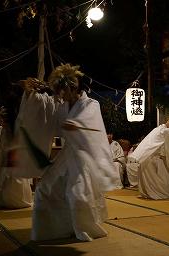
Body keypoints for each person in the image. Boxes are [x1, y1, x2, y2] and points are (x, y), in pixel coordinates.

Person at [19, 64, 120, 241]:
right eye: (58, 91)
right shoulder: (61, 105)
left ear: (72, 87)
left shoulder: (90, 104)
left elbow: (90, 123)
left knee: (77, 195)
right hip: (66, 155)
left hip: (82, 156)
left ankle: (85, 228)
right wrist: (31, 93)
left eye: (62, 90)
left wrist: (76, 125)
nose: (60, 95)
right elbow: (45, 111)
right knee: (45, 188)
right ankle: (53, 230)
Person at [127, 116, 169, 199]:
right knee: (165, 179)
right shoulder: (163, 130)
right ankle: (159, 193)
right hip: (152, 159)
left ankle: (150, 193)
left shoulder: (157, 129)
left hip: (147, 158)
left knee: (155, 180)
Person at [0, 109, 33, 209]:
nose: (1, 121)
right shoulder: (2, 129)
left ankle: (10, 199)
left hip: (12, 159)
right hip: (2, 158)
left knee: (10, 184)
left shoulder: (17, 130)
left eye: (4, 119)